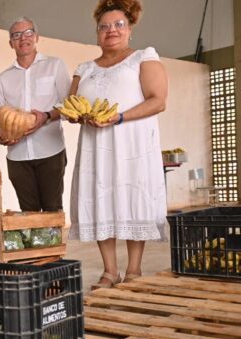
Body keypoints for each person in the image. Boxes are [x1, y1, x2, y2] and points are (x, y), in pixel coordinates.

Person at [68, 0, 168, 289]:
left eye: (118, 25)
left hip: (131, 144)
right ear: (97, 32)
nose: (111, 30)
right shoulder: (84, 68)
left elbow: (158, 100)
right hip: (95, 147)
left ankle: (134, 269)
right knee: (100, 200)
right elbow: (71, 106)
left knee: (132, 198)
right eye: (104, 26)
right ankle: (110, 271)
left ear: (130, 29)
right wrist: (80, 116)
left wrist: (120, 117)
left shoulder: (143, 57)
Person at [0, 17, 70, 212]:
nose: (23, 38)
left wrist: (46, 116)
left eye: (28, 33)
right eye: (17, 35)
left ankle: (54, 245)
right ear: (10, 43)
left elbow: (69, 105)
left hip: (50, 150)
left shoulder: (55, 65)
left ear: (36, 37)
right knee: (28, 215)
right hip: (17, 156)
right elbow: (0, 116)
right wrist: (2, 134)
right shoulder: (3, 78)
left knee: (53, 210)